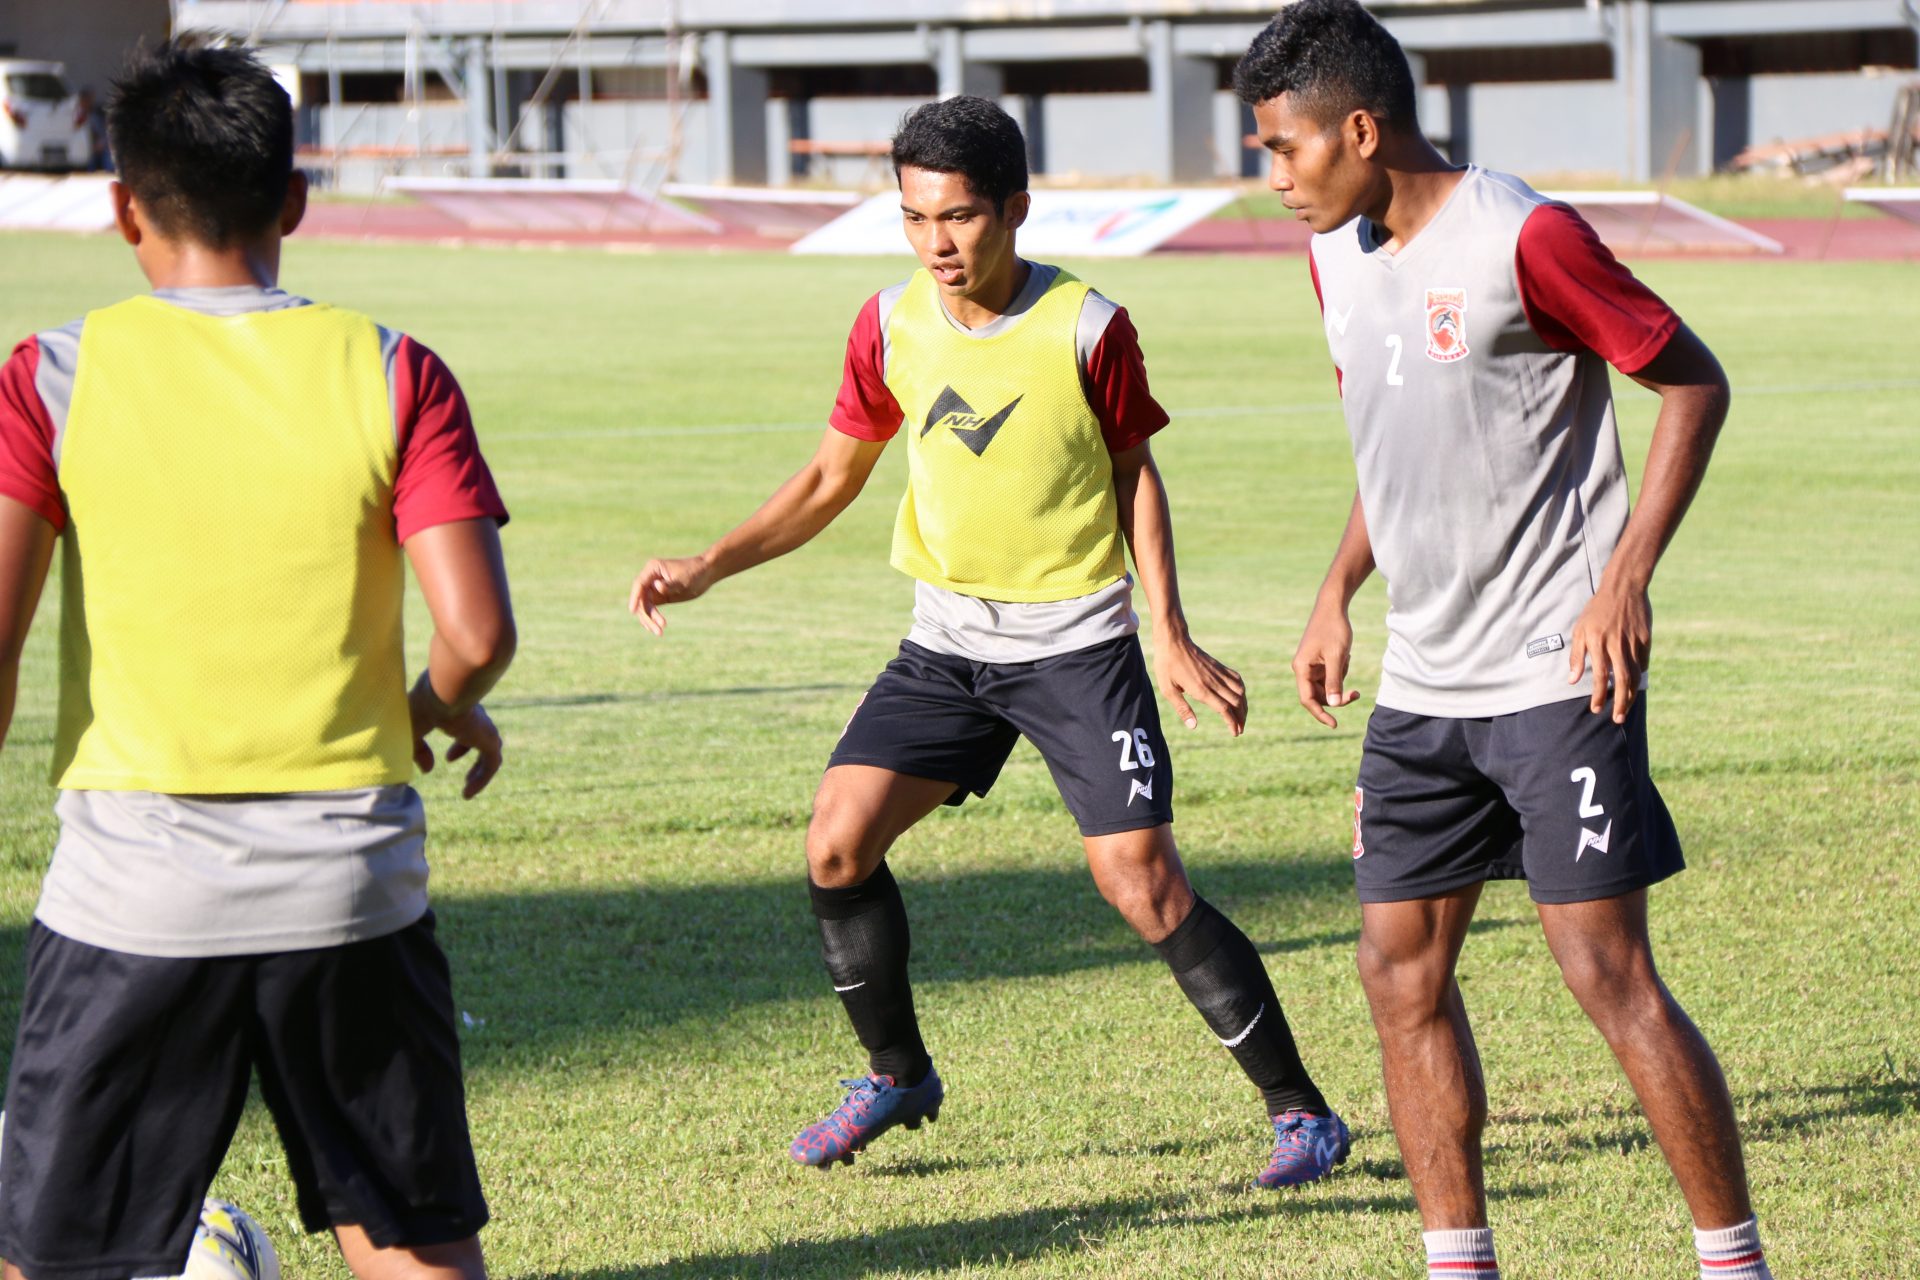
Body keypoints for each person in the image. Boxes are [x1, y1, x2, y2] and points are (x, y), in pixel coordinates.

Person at [631, 95, 1348, 1188]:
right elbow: (831, 477)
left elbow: (1130, 470)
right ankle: (897, 1071)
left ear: (1015, 208)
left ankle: (1301, 1112)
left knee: (1143, 885)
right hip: (947, 644)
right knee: (836, 841)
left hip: (1075, 646)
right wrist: (708, 564)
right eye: (916, 218)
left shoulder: (1088, 327)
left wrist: (1169, 632)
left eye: (959, 217)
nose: (936, 243)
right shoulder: (889, 323)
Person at [1233, 3, 1771, 1278]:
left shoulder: (1524, 236)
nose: (1274, 176)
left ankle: (1734, 1262)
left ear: (1361, 129)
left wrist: (1624, 576)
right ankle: (1457, 1261)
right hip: (1422, 687)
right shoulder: (1335, 260)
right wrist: (1335, 588)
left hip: (1552, 671)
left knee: (1604, 970)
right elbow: (1394, 438)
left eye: (1285, 147)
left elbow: (1693, 378)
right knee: (1394, 970)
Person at [0, 40, 513, 1280]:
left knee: (47, 1256)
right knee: (414, 1246)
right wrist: (434, 704)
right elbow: (480, 635)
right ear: (294, 199)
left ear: (121, 205)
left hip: (132, 891)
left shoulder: (51, 376)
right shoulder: (396, 371)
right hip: (350, 886)